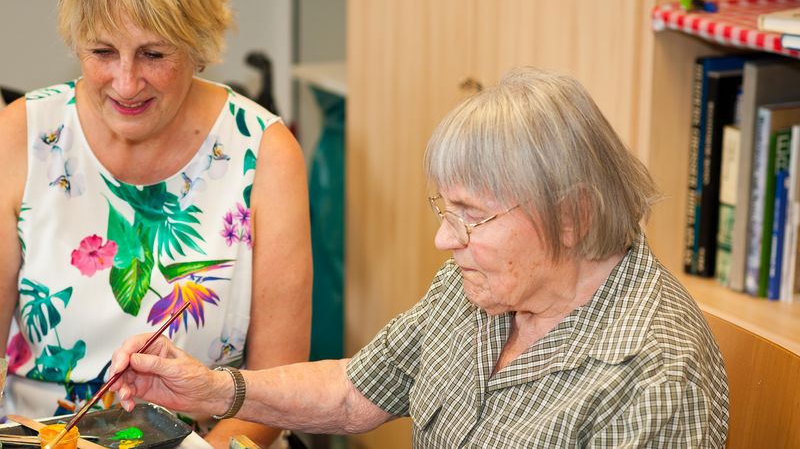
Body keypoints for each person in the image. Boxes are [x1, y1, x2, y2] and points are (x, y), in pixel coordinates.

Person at [109, 67, 729, 447]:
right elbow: (356, 394)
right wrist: (213, 388)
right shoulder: (487, 284)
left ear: (573, 217)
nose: (444, 240)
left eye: (472, 216)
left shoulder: (654, 375)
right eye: (445, 210)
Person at [0, 0, 312, 448]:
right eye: (103, 52)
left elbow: (276, 388)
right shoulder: (22, 137)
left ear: (197, 47)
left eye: (154, 54)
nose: (126, 83)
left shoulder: (265, 153)